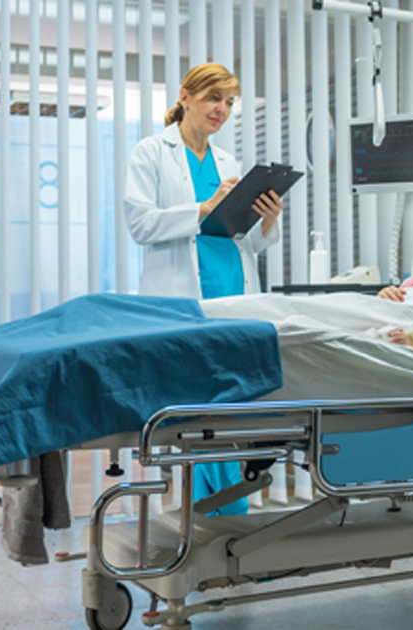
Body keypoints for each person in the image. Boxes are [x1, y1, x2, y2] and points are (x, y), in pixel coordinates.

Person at [124, 62, 284, 516]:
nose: (222, 110)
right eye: (215, 98)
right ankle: (218, 525)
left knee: (228, 417)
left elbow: (242, 238)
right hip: (182, 298)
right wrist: (202, 206)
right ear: (185, 97)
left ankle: (223, 528)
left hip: (233, 291)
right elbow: (140, 223)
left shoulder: (228, 162)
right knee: (198, 420)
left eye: (230, 102)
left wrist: (267, 220)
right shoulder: (151, 153)